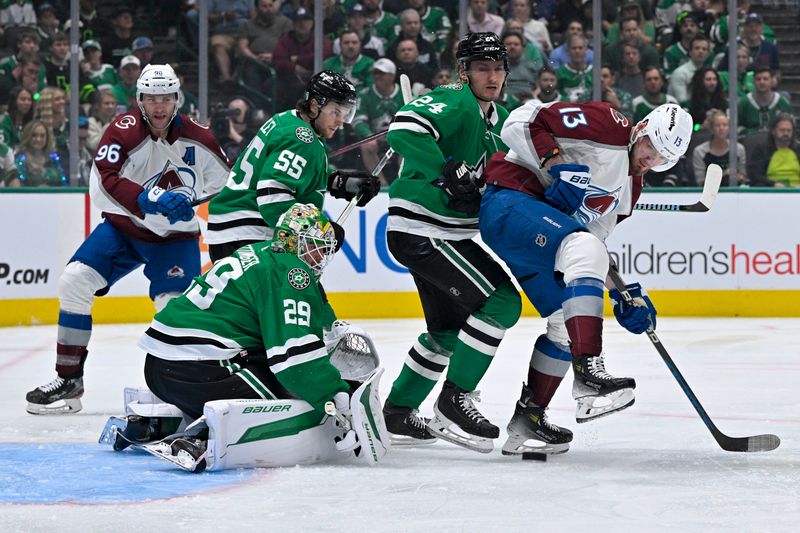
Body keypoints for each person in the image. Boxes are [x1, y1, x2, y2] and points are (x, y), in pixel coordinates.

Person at [479, 102, 692, 455]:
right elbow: (518, 122)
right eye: (650, 148)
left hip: (540, 235)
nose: (650, 160)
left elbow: (593, 243)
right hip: (510, 201)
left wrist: (624, 294)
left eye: (660, 159)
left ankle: (527, 422)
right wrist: (556, 164)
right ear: (640, 129)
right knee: (581, 249)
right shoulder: (606, 124)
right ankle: (589, 372)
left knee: (564, 323)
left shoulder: (630, 190)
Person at [24, 65, 232, 415]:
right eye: (152, 98)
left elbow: (228, 183)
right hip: (124, 231)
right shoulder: (121, 132)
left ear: (177, 98)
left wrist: (193, 200)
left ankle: (181, 389)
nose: (159, 106)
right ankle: (69, 379)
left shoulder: (200, 137)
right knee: (75, 281)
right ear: (139, 100)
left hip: (175, 240)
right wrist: (149, 200)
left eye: (166, 98)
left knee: (173, 308)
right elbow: (104, 178)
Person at [381, 32, 522, 452]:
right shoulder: (455, 99)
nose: (492, 75)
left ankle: (398, 412)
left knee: (445, 334)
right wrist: (447, 166)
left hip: (439, 233)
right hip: (426, 230)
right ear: (465, 72)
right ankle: (454, 399)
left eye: (498, 68)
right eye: (482, 67)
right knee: (501, 303)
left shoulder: (503, 121)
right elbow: (403, 130)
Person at [206, 70, 379, 262]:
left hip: (232, 232)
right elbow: (273, 199)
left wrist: (339, 182)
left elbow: (293, 173)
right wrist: (320, 230)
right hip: (250, 236)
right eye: (335, 112)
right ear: (314, 106)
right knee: (302, 290)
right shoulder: (302, 139)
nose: (340, 122)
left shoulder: (288, 120)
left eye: (345, 114)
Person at [351, 58, 404, 184]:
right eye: (375, 73)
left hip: (398, 138)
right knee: (367, 145)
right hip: (375, 139)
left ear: (392, 76)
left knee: (407, 144)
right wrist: (369, 136)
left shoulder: (403, 93)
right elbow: (358, 121)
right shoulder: (364, 95)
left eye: (382, 73)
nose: (378, 76)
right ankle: (381, 183)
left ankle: (401, 182)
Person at [3, 120, 67, 187]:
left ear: (47, 138)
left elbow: (63, 183)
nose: (38, 139)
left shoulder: (53, 159)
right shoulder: (20, 160)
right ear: (27, 137)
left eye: (42, 136)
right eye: (34, 135)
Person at [692, 109, 746, 186]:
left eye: (725, 125)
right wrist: (723, 175)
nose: (721, 128)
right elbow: (700, 181)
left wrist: (738, 177)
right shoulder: (700, 151)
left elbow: (743, 176)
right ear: (711, 129)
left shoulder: (738, 149)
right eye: (717, 125)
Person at [748, 113, 800, 187]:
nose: (786, 133)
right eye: (782, 130)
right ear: (773, 131)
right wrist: (773, 184)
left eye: (789, 130)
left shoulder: (798, 149)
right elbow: (755, 175)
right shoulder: (762, 150)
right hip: (771, 190)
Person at [737, 67, 793, 135]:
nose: (762, 82)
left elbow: (791, 127)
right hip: (749, 142)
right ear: (753, 81)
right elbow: (735, 127)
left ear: (772, 81)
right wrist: (752, 133)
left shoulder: (783, 103)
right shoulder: (743, 103)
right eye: (758, 79)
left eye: (765, 79)